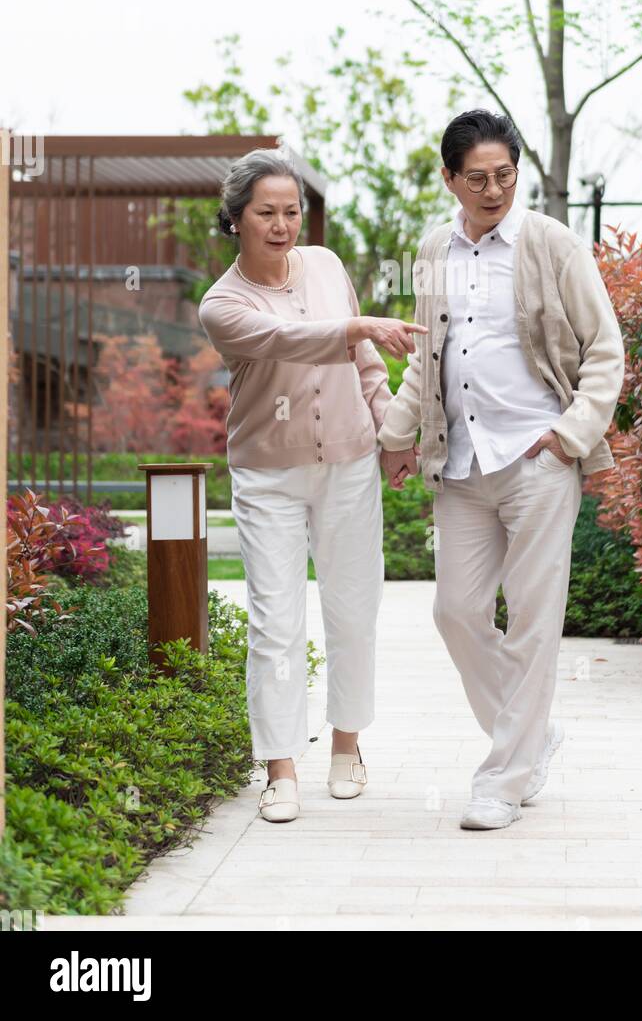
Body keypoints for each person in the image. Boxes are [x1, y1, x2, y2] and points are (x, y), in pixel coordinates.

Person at [377, 109, 625, 831]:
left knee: (533, 623)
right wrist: (396, 437)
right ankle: (531, 737)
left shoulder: (551, 244)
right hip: (460, 464)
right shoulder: (433, 250)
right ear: (449, 178)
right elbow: (425, 367)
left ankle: (503, 779)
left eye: (505, 176)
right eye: (477, 178)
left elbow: (604, 350)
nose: (493, 190)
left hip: (537, 460)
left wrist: (569, 433)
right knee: (454, 612)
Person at [198, 147, 426, 823]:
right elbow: (288, 340)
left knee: (354, 610)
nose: (281, 224)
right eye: (265, 213)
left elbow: (362, 363)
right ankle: (278, 768)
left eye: (291, 211)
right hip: (268, 473)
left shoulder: (326, 266)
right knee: (276, 623)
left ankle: (347, 749)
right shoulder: (223, 304)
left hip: (350, 465)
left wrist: (390, 435)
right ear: (235, 219)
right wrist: (360, 325)